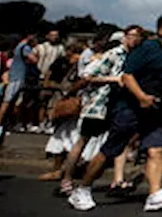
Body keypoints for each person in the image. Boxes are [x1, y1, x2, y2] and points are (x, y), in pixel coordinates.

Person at [70, 13, 162, 213]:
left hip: (154, 108)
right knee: (110, 151)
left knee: (155, 149)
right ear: (161, 29)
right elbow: (127, 75)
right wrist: (141, 97)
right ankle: (82, 189)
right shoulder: (147, 48)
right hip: (130, 107)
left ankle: (155, 194)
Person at [59, 28, 142, 196]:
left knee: (121, 141)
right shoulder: (113, 54)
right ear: (125, 37)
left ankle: (118, 181)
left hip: (118, 105)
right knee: (83, 141)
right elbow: (88, 76)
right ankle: (66, 180)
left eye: (139, 37)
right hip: (99, 105)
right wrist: (113, 79)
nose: (135, 40)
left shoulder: (135, 58)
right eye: (132, 36)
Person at [40, 43, 85, 181]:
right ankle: (62, 170)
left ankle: (62, 172)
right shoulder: (76, 66)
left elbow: (79, 83)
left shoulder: (80, 67)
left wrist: (68, 93)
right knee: (64, 139)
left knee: (68, 140)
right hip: (73, 108)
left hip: (74, 106)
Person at [0, 33, 38, 136]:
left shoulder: (18, 47)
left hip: (15, 75)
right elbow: (34, 60)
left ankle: (4, 124)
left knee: (11, 102)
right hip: (17, 77)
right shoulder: (25, 48)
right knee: (7, 101)